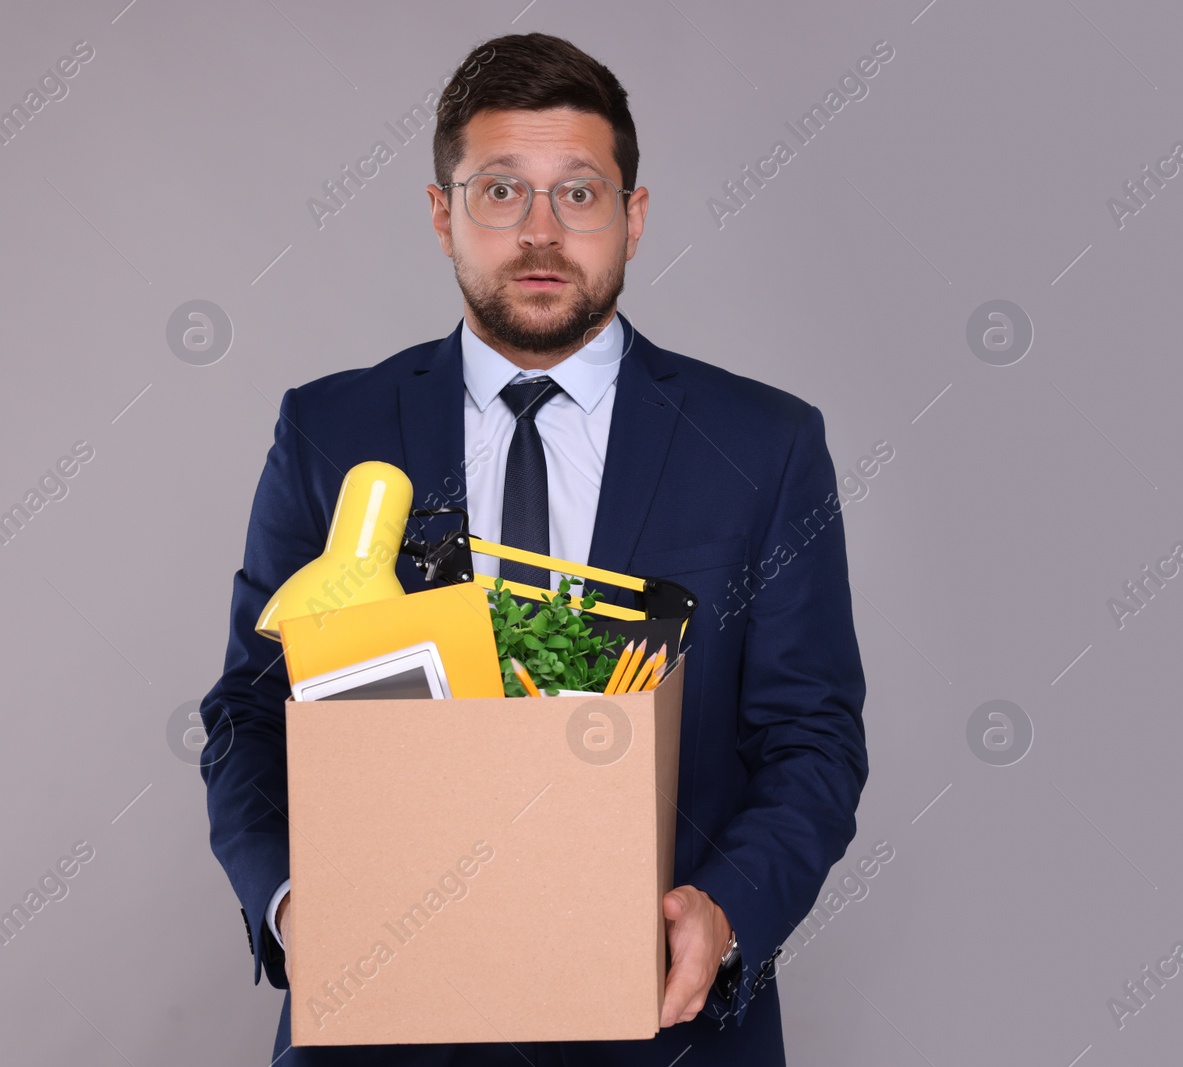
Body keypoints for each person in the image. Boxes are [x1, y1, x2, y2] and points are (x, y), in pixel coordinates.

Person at [197, 31, 868, 1066]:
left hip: (660, 1031)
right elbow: (248, 710)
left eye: (580, 193)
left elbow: (812, 737)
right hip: (381, 1031)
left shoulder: (764, 446)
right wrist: (292, 904)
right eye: (501, 190)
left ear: (633, 218)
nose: (541, 232)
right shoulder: (331, 431)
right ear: (442, 214)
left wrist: (728, 913)